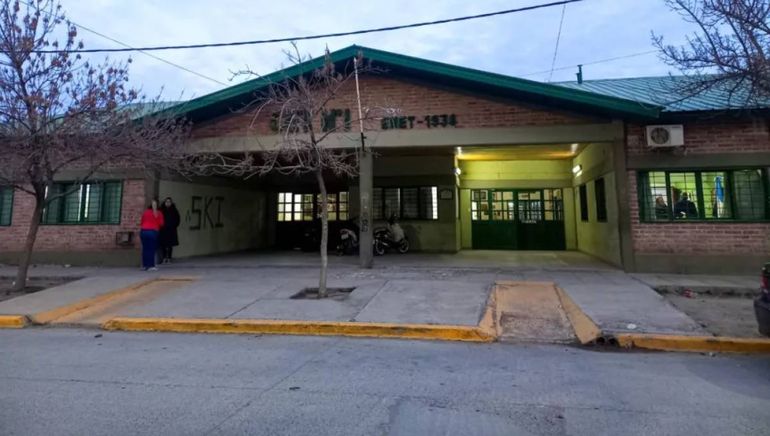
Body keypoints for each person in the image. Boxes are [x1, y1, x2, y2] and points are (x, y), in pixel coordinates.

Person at [140, 199, 164, 271]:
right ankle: (151, 266)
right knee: (151, 249)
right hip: (152, 232)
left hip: (143, 231)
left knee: (145, 249)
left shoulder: (146, 212)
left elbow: (142, 221)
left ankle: (145, 265)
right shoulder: (159, 213)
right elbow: (161, 224)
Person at [159, 197, 180, 263]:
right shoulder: (161, 210)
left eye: (169, 202)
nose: (168, 203)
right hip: (163, 230)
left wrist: (174, 225)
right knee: (163, 244)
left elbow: (177, 219)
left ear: (171, 203)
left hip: (171, 230)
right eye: (167, 202)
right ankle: (164, 257)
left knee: (170, 245)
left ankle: (169, 257)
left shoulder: (174, 210)